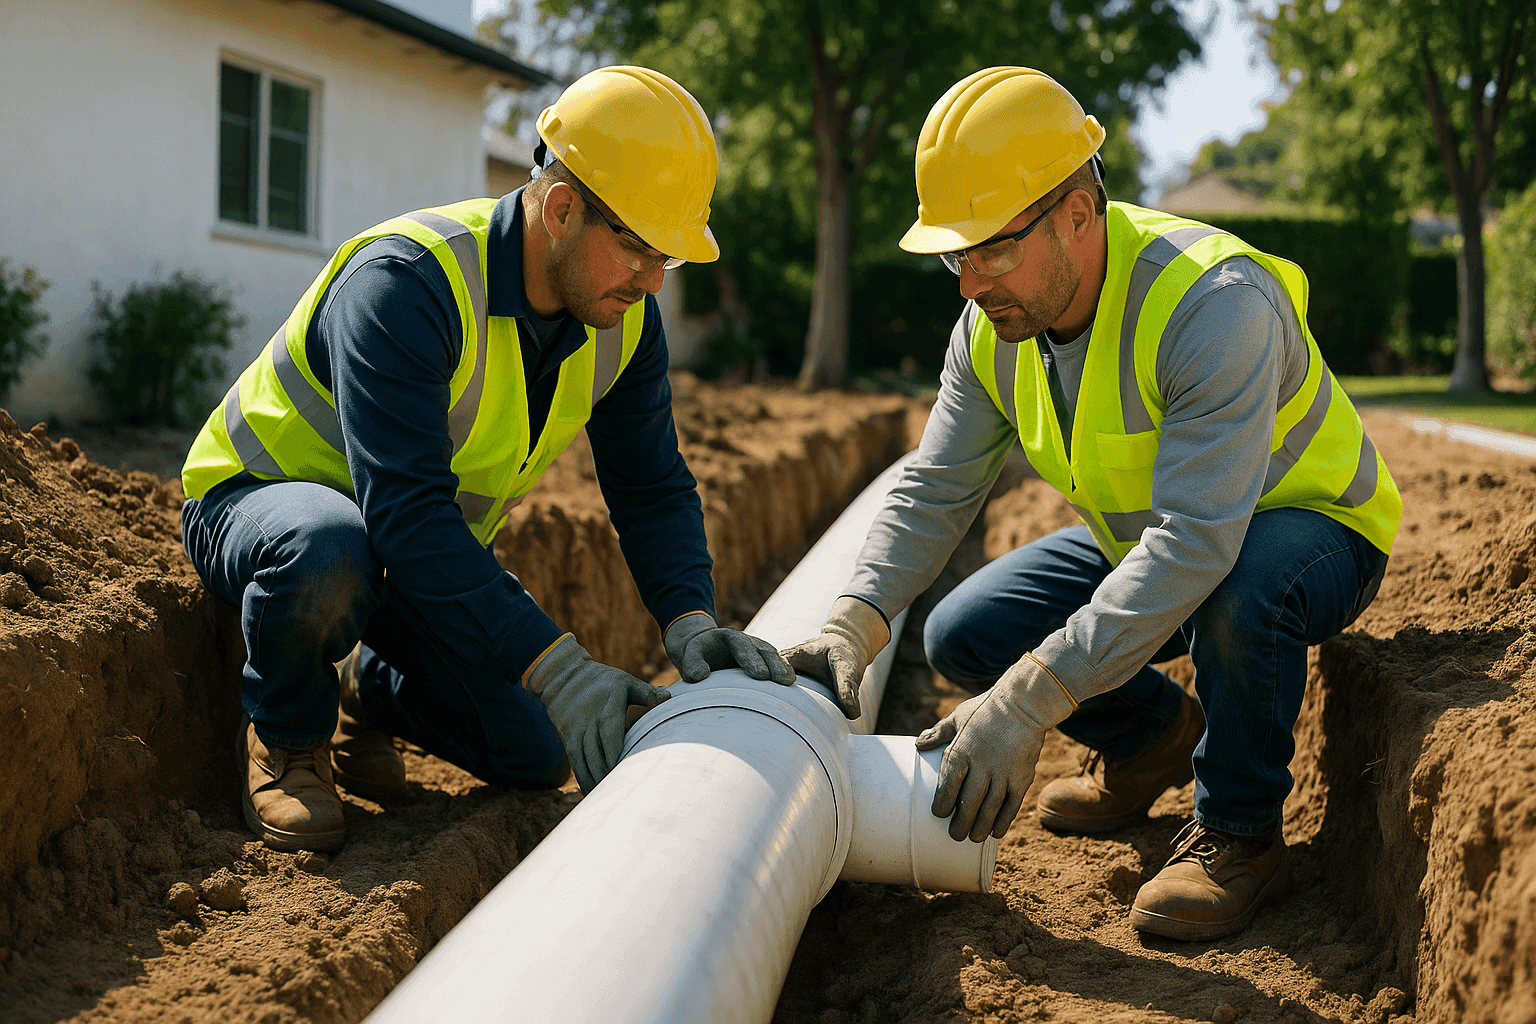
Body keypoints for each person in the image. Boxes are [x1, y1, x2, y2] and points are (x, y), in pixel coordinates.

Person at [782, 67, 1400, 941]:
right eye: (956, 255)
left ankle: (1240, 832)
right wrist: (855, 620)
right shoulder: (992, 327)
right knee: (961, 632)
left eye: (992, 247)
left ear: (1078, 212)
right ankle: (1154, 738)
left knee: (1237, 588)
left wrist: (1029, 701)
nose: (970, 281)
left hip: (1308, 533)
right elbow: (934, 487)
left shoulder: (1211, 303)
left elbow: (1198, 542)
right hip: (1157, 538)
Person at [180, 66, 793, 854]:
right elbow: (404, 510)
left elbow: (650, 485)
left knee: (536, 749)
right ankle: (290, 736)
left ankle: (370, 687)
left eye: (668, 259)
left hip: (412, 552)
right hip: (264, 503)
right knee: (329, 550)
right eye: (640, 249)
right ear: (564, 208)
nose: (652, 281)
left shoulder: (622, 320)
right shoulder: (407, 283)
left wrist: (690, 617)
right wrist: (562, 665)